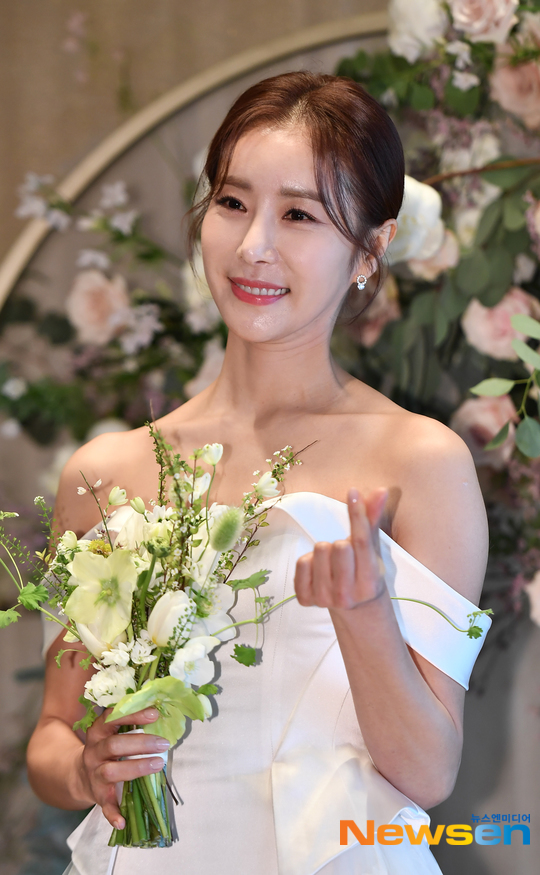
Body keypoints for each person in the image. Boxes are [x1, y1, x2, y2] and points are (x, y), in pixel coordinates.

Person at [27, 72, 490, 875]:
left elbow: (428, 773)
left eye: (299, 215)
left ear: (369, 249)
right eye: (233, 203)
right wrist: (84, 767)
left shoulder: (420, 462)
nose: (252, 247)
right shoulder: (104, 472)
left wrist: (365, 613)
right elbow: (52, 734)